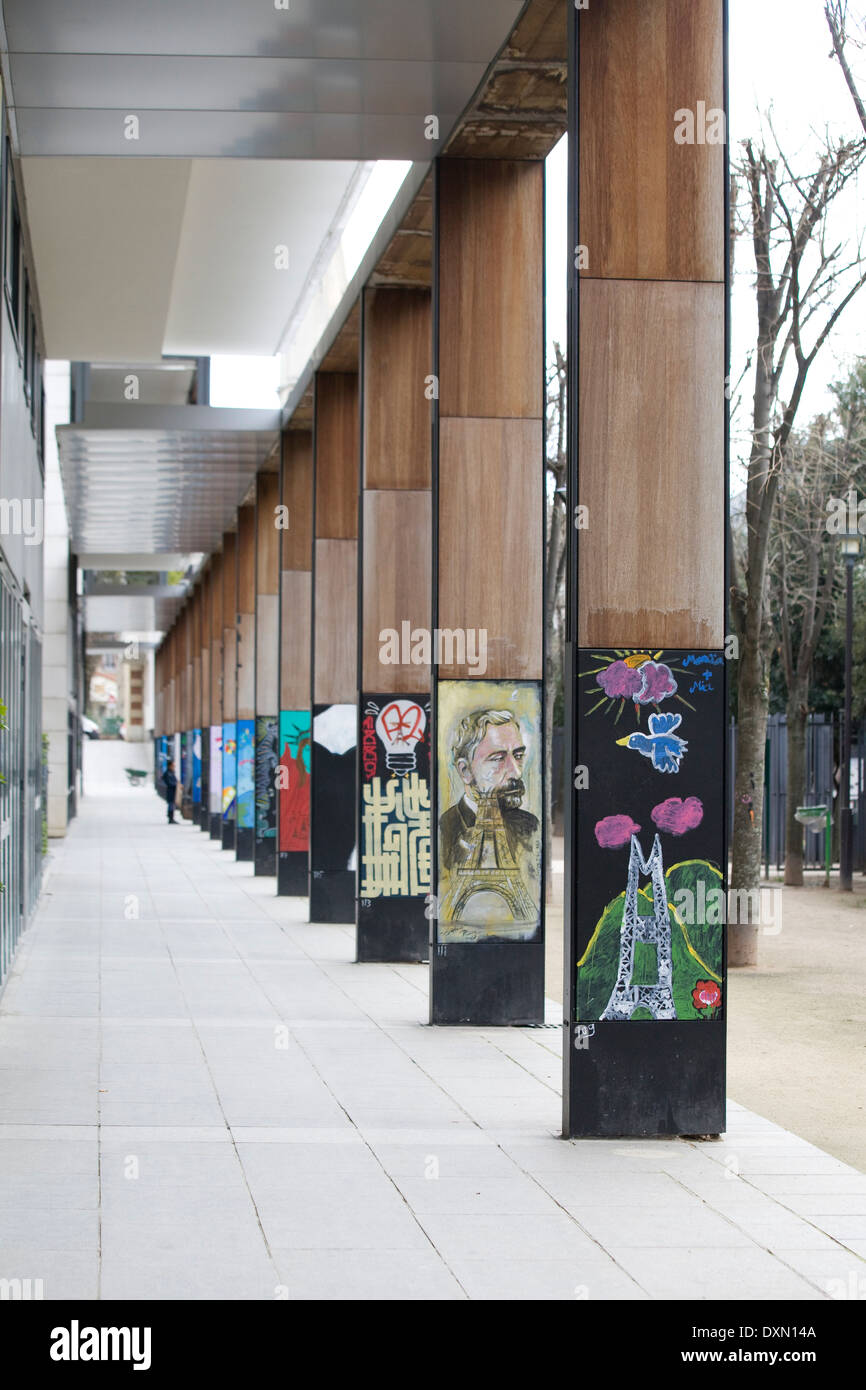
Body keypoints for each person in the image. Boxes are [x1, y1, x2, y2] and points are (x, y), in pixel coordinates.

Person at [439, 708, 539, 869]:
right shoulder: (444, 829)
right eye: (498, 759)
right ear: (465, 771)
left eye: (518, 756)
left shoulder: (530, 826)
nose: (517, 772)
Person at [162, 759, 179, 824]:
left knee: (172, 805)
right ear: (169, 766)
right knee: (171, 805)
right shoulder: (168, 773)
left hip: (173, 792)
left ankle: (171, 818)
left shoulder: (171, 773)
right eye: (173, 766)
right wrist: (175, 785)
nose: (174, 767)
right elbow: (169, 783)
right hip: (171, 792)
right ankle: (170, 818)